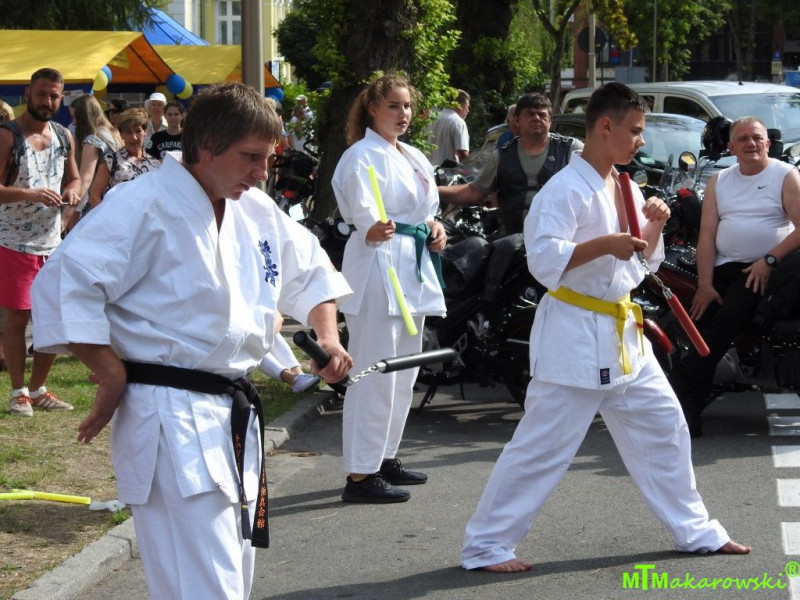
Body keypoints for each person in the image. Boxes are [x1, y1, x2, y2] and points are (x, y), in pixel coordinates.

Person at [30, 81, 353, 600]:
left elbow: (313, 273)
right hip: (170, 414)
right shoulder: (142, 203)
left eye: (268, 159)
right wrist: (110, 372)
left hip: (229, 408)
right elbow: (62, 283)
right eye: (251, 157)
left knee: (231, 576)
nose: (262, 172)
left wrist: (328, 338)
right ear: (206, 147)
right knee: (206, 585)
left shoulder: (254, 209)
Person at [460, 82, 750, 573]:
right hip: (575, 334)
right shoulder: (563, 190)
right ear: (606, 127)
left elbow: (639, 263)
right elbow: (544, 262)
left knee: (665, 426)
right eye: (635, 131)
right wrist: (604, 245)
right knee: (542, 447)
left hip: (622, 334)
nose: (641, 140)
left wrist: (654, 225)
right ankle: (486, 545)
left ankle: (695, 530)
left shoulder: (627, 186)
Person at [332, 73, 447, 504]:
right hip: (378, 267)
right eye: (394, 106)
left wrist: (435, 227)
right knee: (376, 372)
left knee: (404, 371)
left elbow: (426, 209)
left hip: (412, 267)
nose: (403, 114)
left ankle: (384, 457)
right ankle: (360, 474)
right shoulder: (360, 156)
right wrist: (371, 226)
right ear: (373, 109)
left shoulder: (412, 155)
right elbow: (362, 213)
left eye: (407, 106)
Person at [668, 116, 800, 437]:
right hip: (722, 267)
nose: (750, 143)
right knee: (700, 327)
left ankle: (679, 388)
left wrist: (769, 260)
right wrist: (704, 285)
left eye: (756, 137)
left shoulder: (785, 175)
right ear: (730, 147)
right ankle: (688, 411)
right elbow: (707, 236)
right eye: (742, 139)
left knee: (724, 323)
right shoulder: (719, 181)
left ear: (768, 143)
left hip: (761, 270)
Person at [0, 67, 80, 417]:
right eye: (42, 94)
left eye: (54, 96)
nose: (48, 101)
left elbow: (74, 178)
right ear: (27, 95)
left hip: (52, 243)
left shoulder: (64, 135)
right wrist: (30, 194)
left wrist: (72, 192)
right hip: (13, 242)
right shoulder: (8, 135)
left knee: (54, 318)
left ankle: (39, 388)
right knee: (18, 318)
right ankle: (19, 392)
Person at [438, 93, 583, 236]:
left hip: (560, 241)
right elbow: (473, 191)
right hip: (511, 243)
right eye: (530, 114)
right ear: (517, 120)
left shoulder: (571, 149)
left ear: (550, 121)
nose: (536, 118)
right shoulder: (501, 156)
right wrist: (433, 190)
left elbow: (595, 183)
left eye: (542, 114)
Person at [60, 94, 122, 231]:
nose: (74, 122)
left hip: (98, 204)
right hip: (118, 201)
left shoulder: (93, 140)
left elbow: (85, 179)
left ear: (85, 118)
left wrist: (66, 215)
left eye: (75, 117)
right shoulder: (113, 133)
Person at [88, 108, 161, 207]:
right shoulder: (110, 161)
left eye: (138, 131)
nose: (134, 137)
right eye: (128, 132)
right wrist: (109, 215)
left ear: (145, 132)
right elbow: (94, 196)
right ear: (121, 134)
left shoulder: (155, 164)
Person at [427, 89, 470, 165]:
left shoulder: (432, 118)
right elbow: (462, 153)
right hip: (446, 170)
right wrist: (469, 168)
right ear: (459, 106)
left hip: (427, 168)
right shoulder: (459, 122)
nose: (468, 110)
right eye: (467, 107)